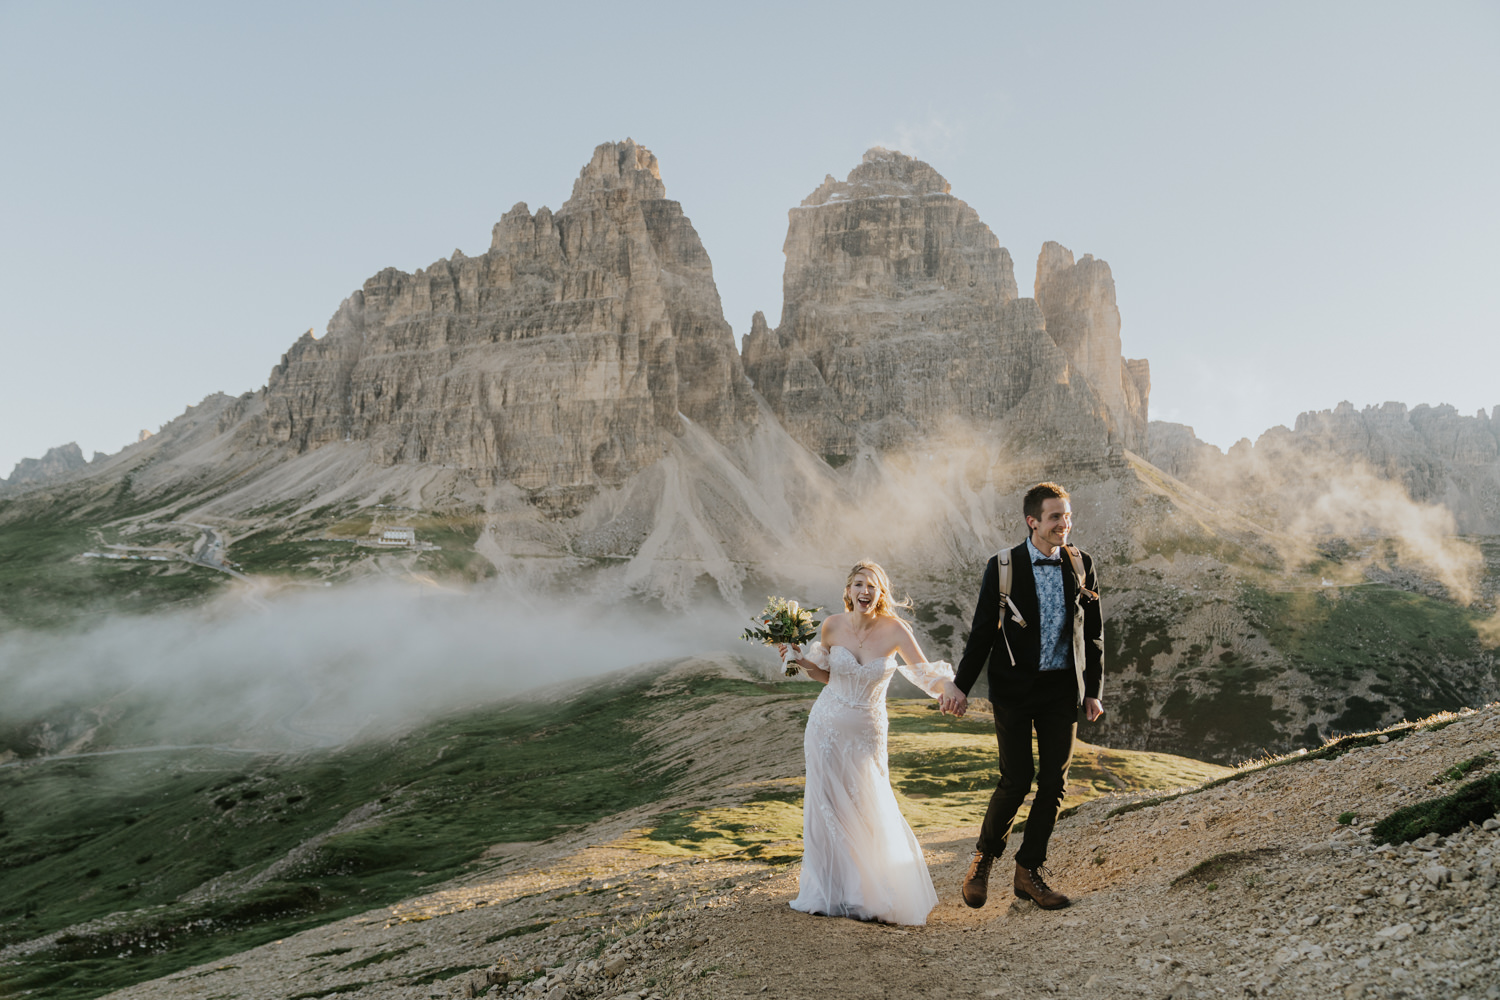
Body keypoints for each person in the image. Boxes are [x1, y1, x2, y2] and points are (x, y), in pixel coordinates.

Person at [780, 560, 968, 926]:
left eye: (873, 586)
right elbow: (825, 674)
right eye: (859, 585)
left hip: (867, 730)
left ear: (881, 594)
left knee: (868, 803)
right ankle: (831, 892)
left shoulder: (895, 629)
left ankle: (868, 891)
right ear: (848, 590)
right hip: (824, 727)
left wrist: (950, 690)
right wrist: (799, 659)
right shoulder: (832, 625)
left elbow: (925, 673)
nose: (865, 592)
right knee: (826, 805)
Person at [950, 482, 1104, 910]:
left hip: (1061, 691)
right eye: (1056, 517)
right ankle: (982, 861)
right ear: (1032, 521)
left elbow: (1092, 634)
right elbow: (982, 633)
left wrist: (1092, 691)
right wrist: (960, 687)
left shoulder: (1081, 563)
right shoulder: (1003, 566)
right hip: (1014, 690)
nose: (1064, 525)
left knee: (1054, 784)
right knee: (1015, 781)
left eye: (1068, 517)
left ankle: (1028, 872)